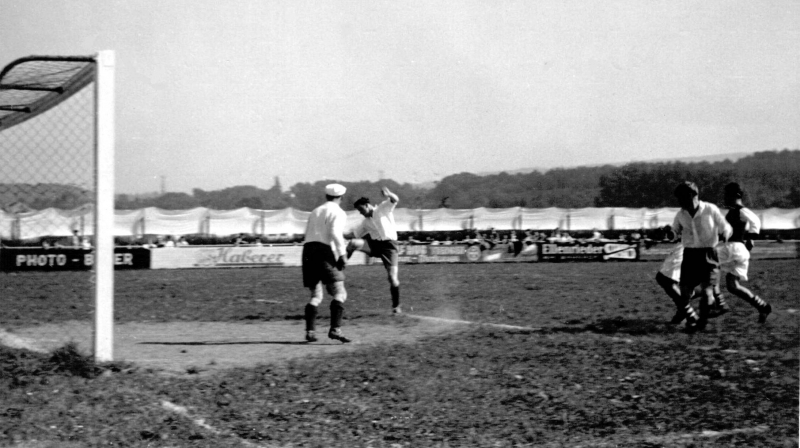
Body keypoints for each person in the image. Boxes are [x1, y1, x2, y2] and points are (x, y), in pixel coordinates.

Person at [672, 181, 732, 332]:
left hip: (708, 254)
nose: (679, 201)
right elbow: (674, 232)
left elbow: (726, 226)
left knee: (706, 292)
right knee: (684, 293)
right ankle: (692, 318)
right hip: (690, 255)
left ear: (693, 195)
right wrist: (668, 233)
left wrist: (725, 233)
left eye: (681, 197)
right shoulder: (681, 214)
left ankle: (701, 324)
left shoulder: (710, 209)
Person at [302, 183, 351, 343]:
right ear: (341, 197)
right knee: (340, 292)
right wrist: (342, 254)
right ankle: (335, 329)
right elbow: (335, 233)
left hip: (308, 250)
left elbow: (307, 233)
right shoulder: (338, 212)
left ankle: (310, 331)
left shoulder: (315, 211)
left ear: (326, 196)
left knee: (316, 295)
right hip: (323, 250)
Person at [717, 182, 772, 323]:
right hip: (735, 250)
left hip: (734, 249)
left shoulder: (740, 209)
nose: (724, 197)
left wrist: (751, 238)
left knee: (705, 267)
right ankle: (763, 306)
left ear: (736, 195)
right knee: (732, 286)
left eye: (726, 194)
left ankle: (717, 304)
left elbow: (755, 221)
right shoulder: (733, 211)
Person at [347, 186, 403, 314]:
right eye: (359, 211)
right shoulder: (365, 223)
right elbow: (354, 235)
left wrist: (389, 194)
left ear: (367, 205)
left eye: (361, 210)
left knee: (392, 278)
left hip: (390, 246)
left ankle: (396, 306)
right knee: (353, 243)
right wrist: (336, 233)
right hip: (375, 245)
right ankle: (341, 265)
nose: (360, 213)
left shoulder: (383, 208)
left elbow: (395, 199)